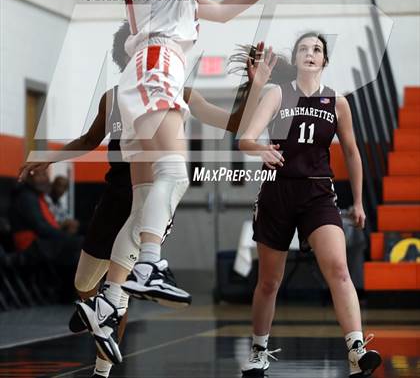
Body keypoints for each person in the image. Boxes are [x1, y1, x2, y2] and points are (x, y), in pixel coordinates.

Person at [78, 0, 308, 365]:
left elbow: (222, 11)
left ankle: (109, 301)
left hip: (151, 72)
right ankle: (149, 266)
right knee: (175, 174)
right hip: (158, 68)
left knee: (144, 204)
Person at [19, 21, 277, 377]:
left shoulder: (180, 95)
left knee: (119, 293)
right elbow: (89, 139)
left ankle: (102, 371)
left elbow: (235, 122)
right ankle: (98, 315)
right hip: (113, 198)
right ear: (127, 58)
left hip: (148, 200)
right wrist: (49, 156)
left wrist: (253, 83)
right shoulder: (114, 97)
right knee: (84, 286)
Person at [238, 33, 382, 377]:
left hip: (318, 193)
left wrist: (359, 201)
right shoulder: (277, 93)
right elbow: (245, 139)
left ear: (324, 61)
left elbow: (351, 151)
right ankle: (258, 350)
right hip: (278, 192)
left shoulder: (338, 103)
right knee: (269, 281)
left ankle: (355, 349)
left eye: (317, 49)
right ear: (296, 58)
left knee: (339, 268)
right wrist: (262, 150)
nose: (310, 53)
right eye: (303, 48)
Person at [10, 169, 82, 301]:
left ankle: (68, 293)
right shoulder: (26, 197)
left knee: (76, 247)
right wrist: (64, 236)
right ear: (29, 178)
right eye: (41, 175)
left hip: (40, 242)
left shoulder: (35, 196)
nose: (45, 179)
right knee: (77, 244)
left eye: (45, 175)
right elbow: (41, 228)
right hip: (30, 245)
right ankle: (68, 295)